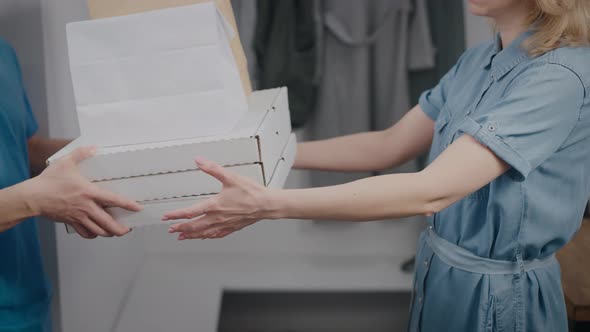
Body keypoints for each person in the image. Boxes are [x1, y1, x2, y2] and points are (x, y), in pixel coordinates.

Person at [163, 0, 590, 330]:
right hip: (439, 277)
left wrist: (266, 204)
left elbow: (432, 190)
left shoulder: (557, 77)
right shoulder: (477, 61)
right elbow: (387, 146)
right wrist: (258, 150)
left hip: (503, 297)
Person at [0, 39, 141, 331]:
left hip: (27, 305)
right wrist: (35, 199)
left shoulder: (4, 52)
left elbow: (21, 150)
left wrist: (102, 155)